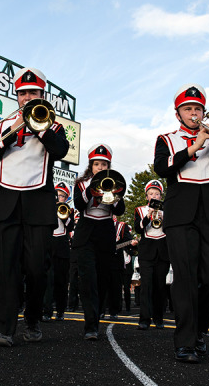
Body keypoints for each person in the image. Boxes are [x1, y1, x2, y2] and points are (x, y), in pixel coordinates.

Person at [0, 67, 69, 346]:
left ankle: (32, 319)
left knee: (36, 268)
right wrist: (7, 134)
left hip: (38, 204)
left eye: (33, 93)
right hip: (5, 204)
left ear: (43, 95)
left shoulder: (54, 126)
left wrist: (39, 129)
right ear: (16, 96)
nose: (28, 97)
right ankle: (4, 328)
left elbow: (61, 151)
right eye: (23, 93)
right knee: (5, 269)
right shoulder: (2, 124)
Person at [154, 83, 209, 363]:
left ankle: (200, 331)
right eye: (188, 108)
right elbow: (163, 168)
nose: (193, 113)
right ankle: (186, 341)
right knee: (185, 277)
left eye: (198, 108)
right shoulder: (166, 139)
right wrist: (194, 146)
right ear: (178, 114)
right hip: (180, 216)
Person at [72, 143, 126, 340]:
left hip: (105, 233)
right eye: (97, 164)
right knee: (87, 280)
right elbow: (78, 204)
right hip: (86, 233)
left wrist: (116, 196)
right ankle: (90, 326)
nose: (100, 168)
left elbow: (119, 211)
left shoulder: (115, 181)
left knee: (103, 280)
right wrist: (92, 190)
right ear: (91, 165)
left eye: (104, 165)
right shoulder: (81, 183)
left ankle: (97, 317)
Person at [134, 180, 170, 330]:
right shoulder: (140, 210)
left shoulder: (167, 209)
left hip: (163, 251)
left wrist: (164, 219)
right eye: (151, 193)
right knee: (146, 286)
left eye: (157, 193)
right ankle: (144, 319)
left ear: (161, 195)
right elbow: (138, 228)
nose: (154, 196)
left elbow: (171, 230)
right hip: (147, 252)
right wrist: (148, 217)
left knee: (160, 286)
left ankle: (159, 318)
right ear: (146, 196)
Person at [42, 182, 75, 322]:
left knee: (61, 282)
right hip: (48, 245)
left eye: (62, 195)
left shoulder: (69, 211)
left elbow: (71, 227)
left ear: (66, 198)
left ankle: (60, 310)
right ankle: (46, 311)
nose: (59, 197)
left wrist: (64, 216)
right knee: (47, 281)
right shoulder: (45, 207)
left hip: (62, 248)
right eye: (57, 194)